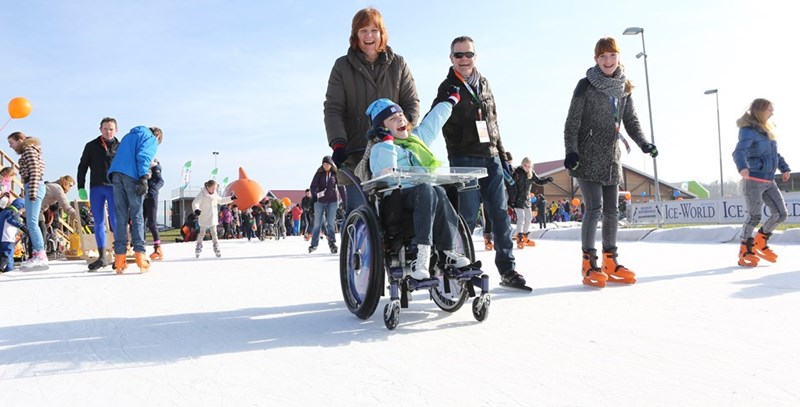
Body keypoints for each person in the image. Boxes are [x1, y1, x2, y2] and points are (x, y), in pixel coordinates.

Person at [431, 36, 527, 289]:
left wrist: (503, 154)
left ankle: (508, 270)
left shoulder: (484, 83)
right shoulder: (448, 86)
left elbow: (493, 122)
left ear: (475, 56)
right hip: (464, 158)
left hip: (491, 156)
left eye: (469, 54)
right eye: (459, 55)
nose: (464, 59)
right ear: (451, 58)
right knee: (468, 217)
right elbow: (436, 119)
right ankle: (461, 269)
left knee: (500, 215)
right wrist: (457, 142)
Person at [563, 37, 658, 288]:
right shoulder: (585, 85)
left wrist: (643, 143)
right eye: (603, 56)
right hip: (585, 155)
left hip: (611, 157)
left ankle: (610, 260)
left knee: (612, 210)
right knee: (594, 207)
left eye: (612, 56)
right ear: (596, 59)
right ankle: (588, 263)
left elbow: (631, 121)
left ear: (618, 57)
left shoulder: (624, 88)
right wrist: (571, 151)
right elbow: (572, 121)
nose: (608, 61)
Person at [361, 95, 471, 280]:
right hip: (398, 198)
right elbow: (384, 173)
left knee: (439, 190)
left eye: (401, 115)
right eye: (393, 119)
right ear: (382, 127)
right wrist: (388, 142)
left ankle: (446, 251)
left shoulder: (416, 140)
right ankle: (421, 257)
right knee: (428, 189)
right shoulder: (380, 149)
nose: (400, 119)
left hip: (425, 195)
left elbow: (433, 121)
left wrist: (449, 101)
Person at [323, 7, 419, 213]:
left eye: (374, 30)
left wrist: (403, 131)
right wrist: (339, 143)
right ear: (355, 35)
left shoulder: (398, 65)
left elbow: (411, 103)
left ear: (382, 34)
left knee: (394, 215)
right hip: (357, 154)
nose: (369, 36)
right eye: (363, 30)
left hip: (392, 152)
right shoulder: (342, 67)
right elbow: (333, 108)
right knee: (360, 213)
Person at [732, 98, 791, 267]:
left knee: (781, 214)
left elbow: (775, 154)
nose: (772, 113)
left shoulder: (768, 130)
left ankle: (760, 241)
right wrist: (743, 167)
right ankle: (745, 249)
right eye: (769, 110)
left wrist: (784, 168)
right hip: (753, 180)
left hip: (769, 179)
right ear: (760, 111)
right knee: (754, 216)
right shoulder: (748, 130)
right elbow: (739, 151)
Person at [108, 126, 163, 273]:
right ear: (157, 138)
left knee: (120, 217)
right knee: (137, 215)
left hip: (116, 174)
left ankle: (119, 260)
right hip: (132, 176)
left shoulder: (128, 136)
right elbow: (144, 156)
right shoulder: (150, 139)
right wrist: (144, 177)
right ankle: (140, 257)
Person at [77, 117, 120, 271]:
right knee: (98, 222)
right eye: (105, 128)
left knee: (115, 221)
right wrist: (80, 186)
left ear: (116, 130)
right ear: (100, 129)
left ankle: (119, 257)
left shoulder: (120, 147)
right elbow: (82, 167)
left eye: (111, 129)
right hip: (96, 188)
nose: (108, 131)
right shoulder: (91, 146)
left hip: (114, 188)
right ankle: (102, 257)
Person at [7, 131, 49, 270]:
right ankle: (38, 253)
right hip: (32, 186)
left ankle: (41, 255)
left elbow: (35, 171)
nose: (11, 146)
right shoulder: (30, 150)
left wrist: (31, 191)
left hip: (34, 186)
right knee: (31, 222)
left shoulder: (28, 151)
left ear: (20, 140)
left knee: (32, 223)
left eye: (12, 143)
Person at [508, 157, 552, 249]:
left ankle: (524, 236)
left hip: (527, 199)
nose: (527, 168)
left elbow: (539, 181)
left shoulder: (531, 173)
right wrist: (511, 200)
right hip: (517, 199)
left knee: (529, 217)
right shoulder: (517, 172)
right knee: (521, 218)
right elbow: (511, 186)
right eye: (525, 165)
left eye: (529, 166)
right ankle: (519, 237)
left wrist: (547, 180)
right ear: (522, 164)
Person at [192, 179, 236, 258]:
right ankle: (198, 246)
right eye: (212, 188)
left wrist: (231, 198)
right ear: (208, 187)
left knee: (214, 233)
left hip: (213, 217)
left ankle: (216, 245)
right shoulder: (202, 194)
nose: (214, 190)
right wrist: (196, 210)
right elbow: (195, 203)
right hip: (204, 217)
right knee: (202, 233)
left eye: (215, 188)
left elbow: (221, 200)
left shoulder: (215, 194)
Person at [308, 156, 339, 254]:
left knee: (330, 223)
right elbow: (313, 186)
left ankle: (332, 243)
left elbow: (341, 187)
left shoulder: (335, 174)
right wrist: (315, 195)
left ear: (331, 164)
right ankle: (314, 244)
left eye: (327, 164)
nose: (325, 166)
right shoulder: (319, 174)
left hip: (332, 201)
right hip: (320, 201)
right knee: (317, 224)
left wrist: (345, 201)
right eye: (324, 164)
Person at [143, 159, 164, 260]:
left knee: (152, 223)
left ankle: (158, 249)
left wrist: (153, 190)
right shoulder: (143, 166)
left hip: (151, 197)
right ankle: (140, 246)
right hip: (142, 197)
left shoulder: (156, 168)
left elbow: (161, 181)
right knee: (140, 222)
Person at [0, 198, 26, 272]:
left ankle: (4, 268)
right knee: (8, 256)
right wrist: (22, 226)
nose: (23, 212)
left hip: (3, 237)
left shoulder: (4, 211)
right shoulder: (12, 212)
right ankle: (8, 271)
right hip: (7, 238)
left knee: (3, 255)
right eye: (23, 209)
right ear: (20, 206)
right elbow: (11, 220)